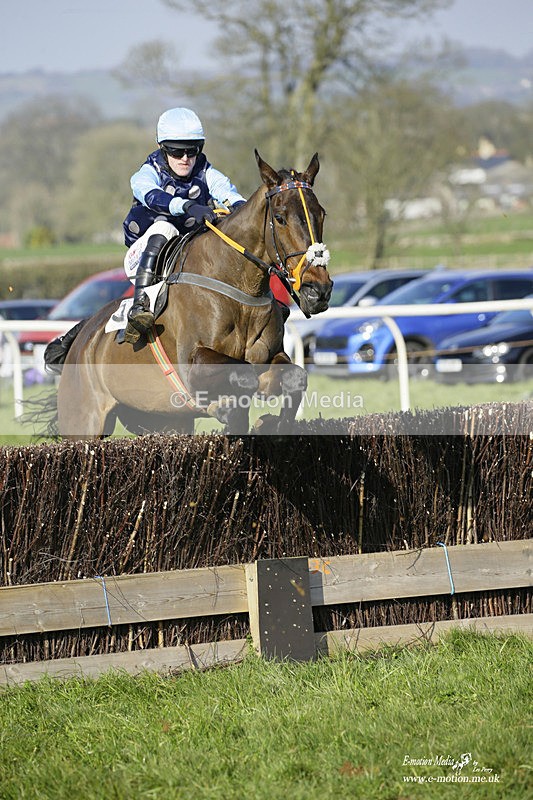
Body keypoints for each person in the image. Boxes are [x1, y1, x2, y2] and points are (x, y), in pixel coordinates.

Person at [122, 107, 246, 344]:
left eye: (192, 151)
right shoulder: (146, 174)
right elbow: (152, 196)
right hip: (144, 255)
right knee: (164, 229)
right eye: (177, 152)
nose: (185, 159)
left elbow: (227, 192)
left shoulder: (206, 172)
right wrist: (188, 206)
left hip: (185, 253)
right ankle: (140, 306)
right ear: (162, 148)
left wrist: (241, 207)